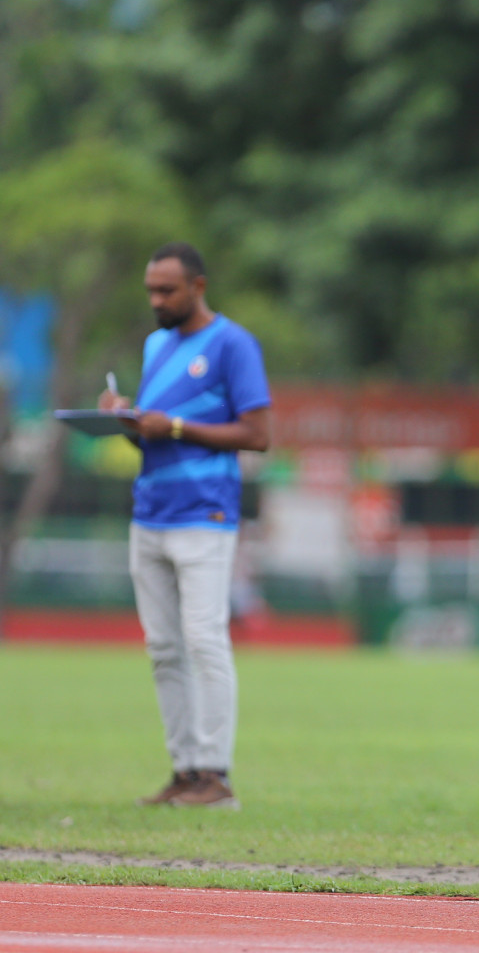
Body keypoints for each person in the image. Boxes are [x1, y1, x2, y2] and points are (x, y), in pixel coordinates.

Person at [98, 242, 271, 808]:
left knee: (205, 641)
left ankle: (215, 775)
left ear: (197, 286)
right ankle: (184, 771)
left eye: (166, 290)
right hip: (149, 512)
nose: (157, 300)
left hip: (205, 513)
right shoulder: (155, 345)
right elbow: (155, 428)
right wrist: (125, 420)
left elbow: (257, 434)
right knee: (164, 649)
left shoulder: (232, 343)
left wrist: (170, 426)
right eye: (151, 290)